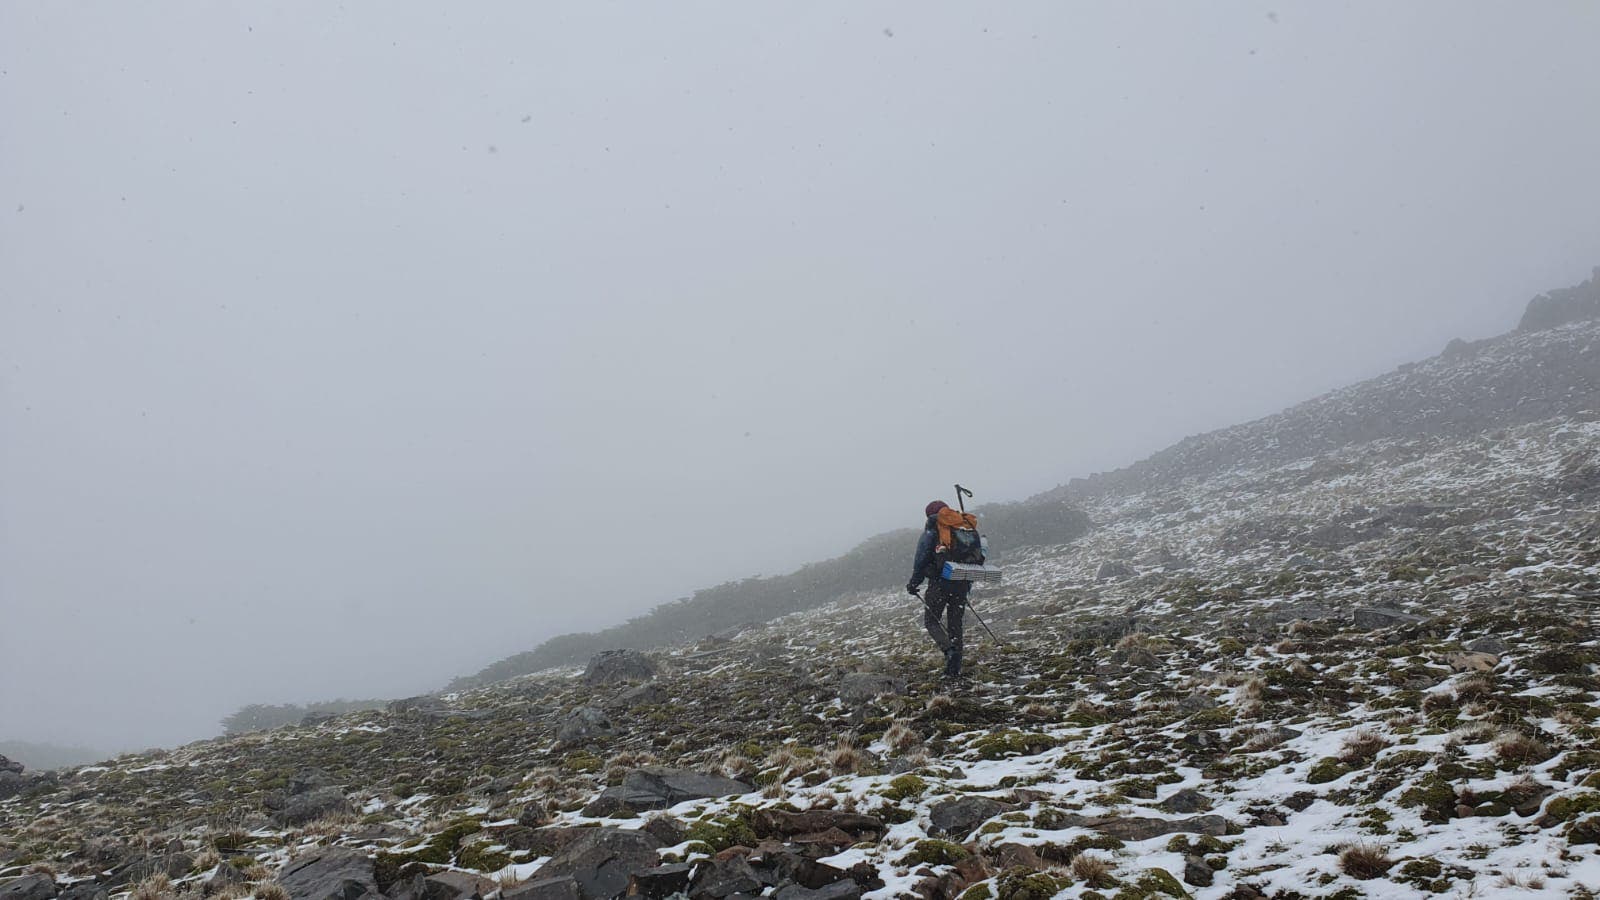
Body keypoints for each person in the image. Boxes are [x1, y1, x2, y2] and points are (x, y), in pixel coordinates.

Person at [907, 500, 972, 680]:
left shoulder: (932, 530)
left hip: (939, 583)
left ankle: (949, 651)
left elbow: (921, 560)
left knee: (932, 621)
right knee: (955, 624)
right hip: (961, 580)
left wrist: (914, 583)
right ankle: (955, 668)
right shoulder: (961, 524)